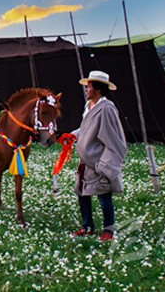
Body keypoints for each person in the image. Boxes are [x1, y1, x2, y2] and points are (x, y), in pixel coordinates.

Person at [59, 70, 127, 242]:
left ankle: (108, 230)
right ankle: (87, 226)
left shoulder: (106, 109)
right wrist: (73, 135)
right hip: (86, 160)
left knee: (104, 195)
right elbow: (86, 129)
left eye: (89, 87)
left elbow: (112, 137)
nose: (86, 89)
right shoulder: (89, 106)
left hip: (98, 159)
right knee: (82, 193)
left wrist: (104, 163)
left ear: (98, 89)